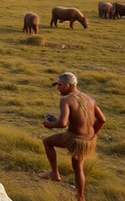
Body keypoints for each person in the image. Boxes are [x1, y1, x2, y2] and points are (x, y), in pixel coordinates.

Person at [40, 72, 106, 201]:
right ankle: (80, 197)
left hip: (75, 139)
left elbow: (62, 123)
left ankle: (54, 173)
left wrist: (49, 124)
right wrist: (92, 134)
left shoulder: (65, 99)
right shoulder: (89, 99)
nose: (57, 88)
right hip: (88, 140)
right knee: (78, 168)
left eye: (58, 85)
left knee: (47, 142)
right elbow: (102, 119)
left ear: (67, 85)